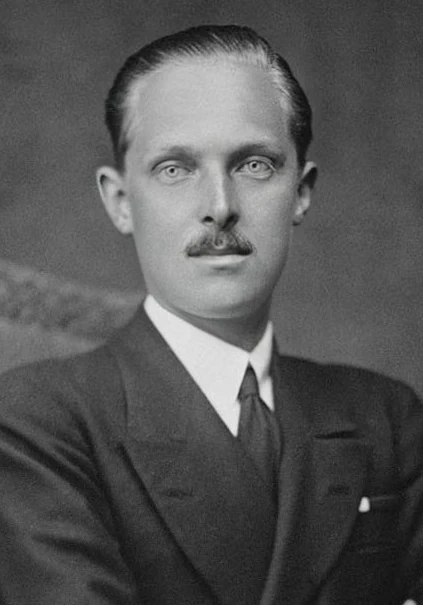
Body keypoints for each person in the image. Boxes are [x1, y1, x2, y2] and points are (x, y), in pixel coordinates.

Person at [0, 24, 422, 605]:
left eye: (254, 165)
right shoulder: (36, 422)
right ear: (121, 202)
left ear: (300, 193)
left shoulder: (385, 418)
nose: (220, 207)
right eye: (175, 168)